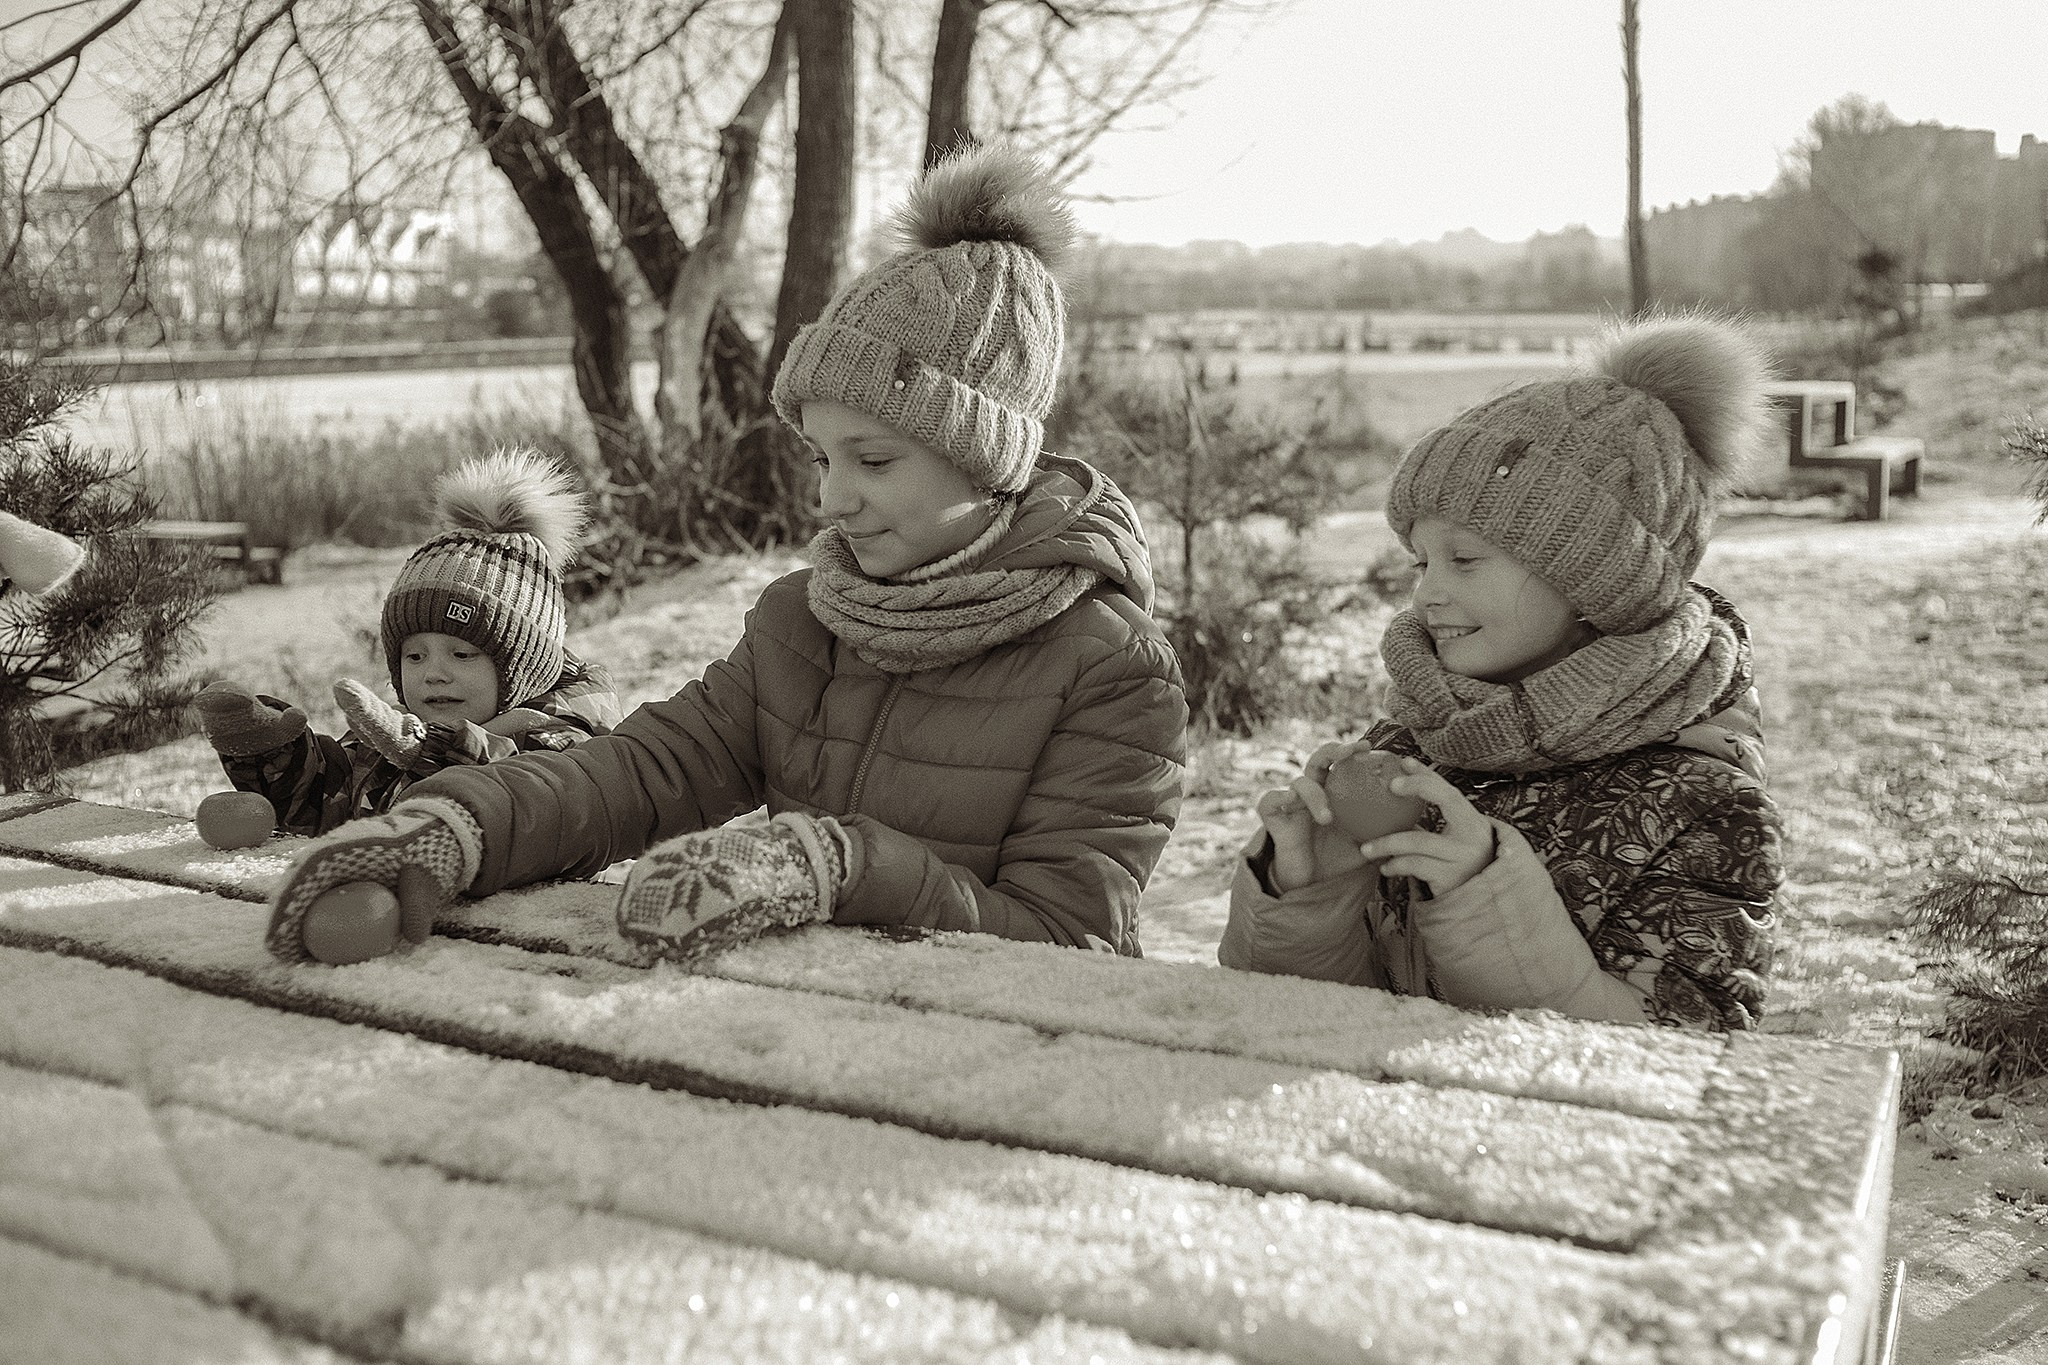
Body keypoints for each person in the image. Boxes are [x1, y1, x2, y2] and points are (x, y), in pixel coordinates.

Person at [259, 142, 1187, 967]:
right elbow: (639, 771)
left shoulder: (1111, 670)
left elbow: (1069, 945)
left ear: (987, 458)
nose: (831, 498)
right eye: (823, 457)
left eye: (874, 459)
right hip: (778, 1048)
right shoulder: (803, 622)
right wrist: (462, 824)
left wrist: (840, 866)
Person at [1220, 315, 1780, 1031]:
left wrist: (1485, 898)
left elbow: (1678, 1065)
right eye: (1421, 561)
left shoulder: (1707, 807)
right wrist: (1306, 889)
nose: (1425, 593)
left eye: (1465, 559)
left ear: (1594, 579)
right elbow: (1317, 1026)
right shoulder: (1417, 739)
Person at [196, 448, 620, 840]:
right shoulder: (390, 735)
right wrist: (272, 755)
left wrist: (431, 752)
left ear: (525, 669)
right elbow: (325, 807)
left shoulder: (565, 750)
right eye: (414, 656)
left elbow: (525, 813)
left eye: (462, 653)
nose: (433, 673)